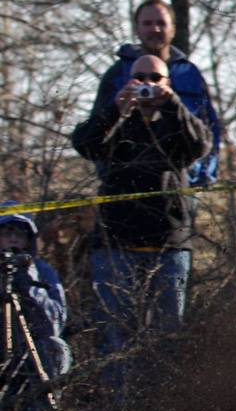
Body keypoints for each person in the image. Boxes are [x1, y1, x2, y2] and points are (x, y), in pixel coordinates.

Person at [70, 52, 213, 386]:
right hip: (116, 242)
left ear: (168, 84)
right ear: (128, 82)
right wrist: (115, 110)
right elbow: (85, 144)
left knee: (167, 335)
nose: (148, 86)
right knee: (113, 332)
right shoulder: (117, 121)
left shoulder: (176, 120)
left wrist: (174, 104)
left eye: (155, 79)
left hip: (169, 244)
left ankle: (161, 408)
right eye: (140, 79)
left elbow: (201, 145)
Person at [87, 0, 224, 188]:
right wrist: (109, 174)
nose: (155, 29)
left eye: (161, 23)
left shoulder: (189, 74)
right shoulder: (117, 75)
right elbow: (96, 129)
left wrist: (203, 176)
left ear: (173, 29)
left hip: (182, 186)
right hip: (124, 190)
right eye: (148, 23)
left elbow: (210, 127)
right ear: (137, 28)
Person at [0, 211, 71, 382]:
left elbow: (55, 323)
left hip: (32, 346)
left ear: (29, 239)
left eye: (20, 233)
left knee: (54, 346)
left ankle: (45, 405)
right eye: (7, 232)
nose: (13, 238)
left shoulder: (42, 270)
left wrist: (30, 286)